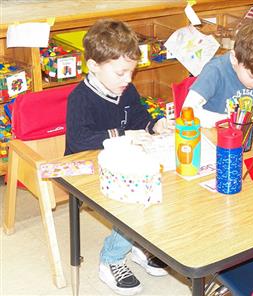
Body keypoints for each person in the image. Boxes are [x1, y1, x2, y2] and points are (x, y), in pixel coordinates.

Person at [65, 19, 170, 295]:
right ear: (94, 66)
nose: (128, 80)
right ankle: (111, 259)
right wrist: (123, 134)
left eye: (131, 72)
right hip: (83, 166)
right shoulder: (80, 99)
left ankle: (137, 242)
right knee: (135, 198)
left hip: (119, 160)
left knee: (160, 182)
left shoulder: (126, 89)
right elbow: (78, 141)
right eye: (121, 73)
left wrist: (155, 124)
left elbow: (139, 116)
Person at [183, 17, 253, 128]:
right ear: (234, 59)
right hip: (216, 137)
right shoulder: (215, 71)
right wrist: (230, 120)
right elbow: (187, 111)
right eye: (252, 77)